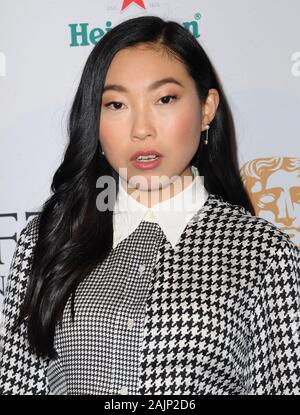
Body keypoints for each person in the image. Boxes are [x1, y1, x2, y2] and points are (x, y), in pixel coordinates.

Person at [0, 15, 299, 395]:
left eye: (165, 99)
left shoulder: (264, 256)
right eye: (116, 104)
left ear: (206, 108)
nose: (141, 129)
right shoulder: (48, 238)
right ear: (94, 118)